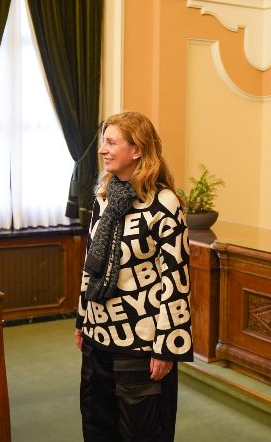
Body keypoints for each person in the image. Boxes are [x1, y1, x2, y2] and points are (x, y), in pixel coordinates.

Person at [75, 111, 192, 441]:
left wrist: (167, 347)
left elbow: (175, 280)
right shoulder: (103, 197)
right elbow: (91, 265)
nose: (103, 150)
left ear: (137, 150)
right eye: (104, 142)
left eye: (111, 143)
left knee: (141, 432)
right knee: (97, 426)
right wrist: (82, 319)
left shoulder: (164, 203)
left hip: (140, 342)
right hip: (97, 335)